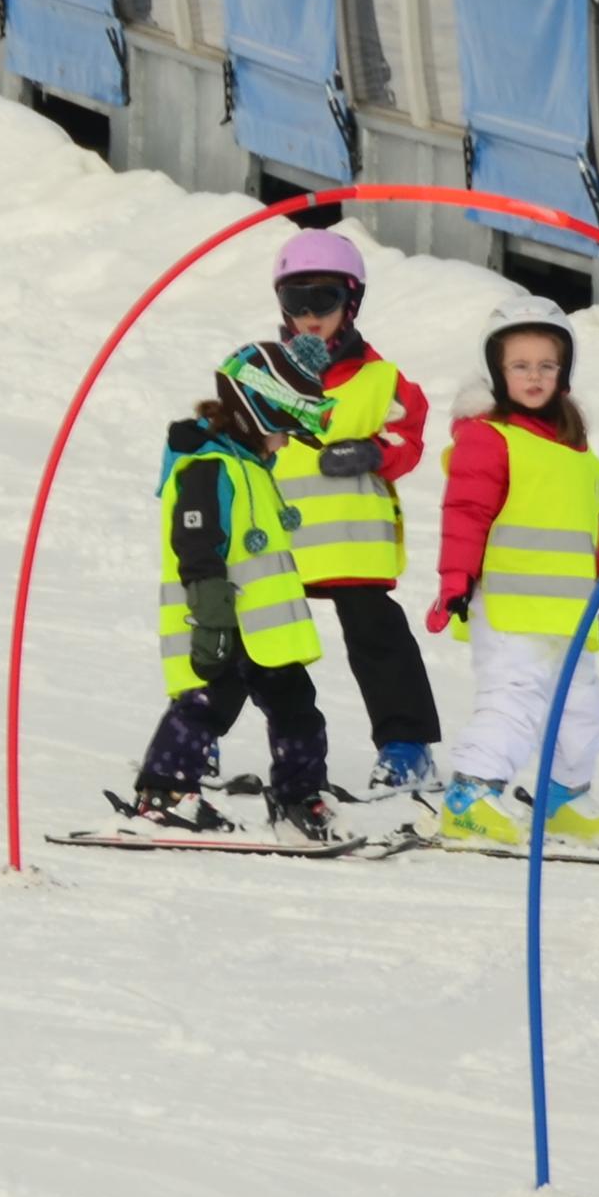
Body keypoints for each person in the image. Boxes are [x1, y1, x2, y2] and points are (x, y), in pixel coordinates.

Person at [425, 296, 599, 851]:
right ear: (496, 371)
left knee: (582, 710)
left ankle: (562, 798)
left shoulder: (574, 450)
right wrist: (454, 583)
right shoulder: (488, 437)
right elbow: (465, 514)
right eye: (520, 365)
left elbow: (594, 537)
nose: (535, 376)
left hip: (570, 615)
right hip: (510, 607)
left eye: (547, 365)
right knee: (513, 701)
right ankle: (470, 797)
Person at [132, 341, 340, 841]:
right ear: (253, 414)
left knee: (297, 708)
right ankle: (163, 793)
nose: (285, 444)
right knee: (207, 705)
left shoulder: (250, 468)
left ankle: (299, 794)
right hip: (223, 623)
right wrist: (210, 612)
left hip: (265, 633)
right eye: (283, 431)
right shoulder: (207, 468)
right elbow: (196, 542)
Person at [267, 228, 441, 792]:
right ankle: (199, 736)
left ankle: (407, 747)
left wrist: (375, 452)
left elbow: (408, 438)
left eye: (325, 299)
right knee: (253, 639)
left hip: (351, 543)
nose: (310, 316)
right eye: (296, 300)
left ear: (352, 302)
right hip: (276, 541)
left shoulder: (379, 380)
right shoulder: (263, 376)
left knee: (376, 637)